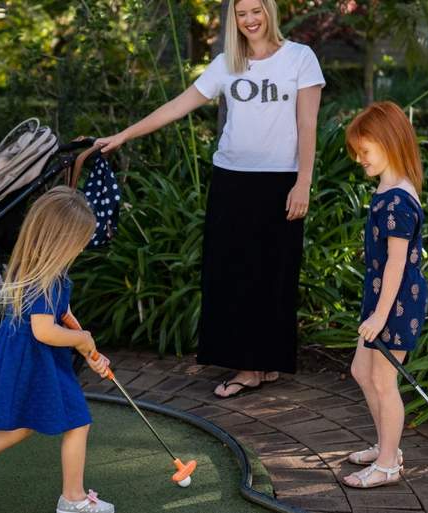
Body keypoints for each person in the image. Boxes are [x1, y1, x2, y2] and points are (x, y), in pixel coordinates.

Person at [94, 0, 324, 398]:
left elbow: (308, 124)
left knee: (275, 273)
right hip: (232, 181)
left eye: (256, 11)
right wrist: (124, 135)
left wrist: (303, 182)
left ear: (269, 11)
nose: (250, 20)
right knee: (232, 273)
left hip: (280, 182)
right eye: (241, 13)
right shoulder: (226, 63)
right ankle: (247, 368)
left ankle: (265, 361)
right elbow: (177, 106)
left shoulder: (300, 58)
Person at [0, 187, 116, 513]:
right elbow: (44, 331)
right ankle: (73, 499)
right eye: (80, 240)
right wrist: (81, 339)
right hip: (34, 359)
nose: (83, 246)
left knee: (21, 423)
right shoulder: (48, 280)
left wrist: (89, 349)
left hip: (26, 356)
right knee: (75, 421)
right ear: (62, 240)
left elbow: (63, 314)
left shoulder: (38, 269)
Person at [342, 101, 428, 489]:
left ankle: (388, 465)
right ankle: (386, 447)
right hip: (382, 296)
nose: (359, 159)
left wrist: (380, 315)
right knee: (362, 371)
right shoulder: (389, 189)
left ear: (390, 142)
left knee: (383, 381)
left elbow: (397, 262)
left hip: (396, 302)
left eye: (364, 151)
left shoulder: (398, 200)